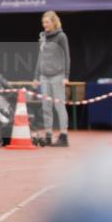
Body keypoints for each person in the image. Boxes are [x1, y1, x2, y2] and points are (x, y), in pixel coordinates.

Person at [35, 10, 70, 147]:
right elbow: (40, 57)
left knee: (59, 106)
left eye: (47, 22)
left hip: (57, 76)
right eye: (43, 22)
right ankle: (48, 134)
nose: (44, 25)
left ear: (54, 22)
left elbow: (67, 56)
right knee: (46, 106)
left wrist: (66, 75)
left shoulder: (61, 36)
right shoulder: (43, 36)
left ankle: (63, 135)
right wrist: (36, 75)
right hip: (44, 76)